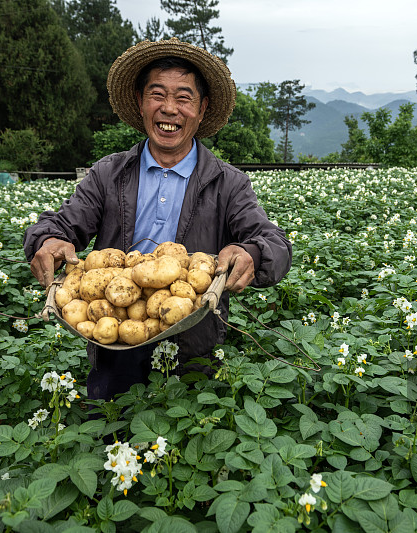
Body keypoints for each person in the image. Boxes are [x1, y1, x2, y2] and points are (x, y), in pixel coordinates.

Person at [23, 38, 292, 401]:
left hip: (194, 345)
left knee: (189, 444)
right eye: (157, 95)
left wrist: (253, 254)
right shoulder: (108, 174)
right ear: (140, 101)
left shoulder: (228, 182)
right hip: (115, 336)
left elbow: (273, 241)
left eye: (183, 97)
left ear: (202, 107)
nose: (169, 109)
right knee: (110, 432)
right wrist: (47, 241)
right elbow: (61, 225)